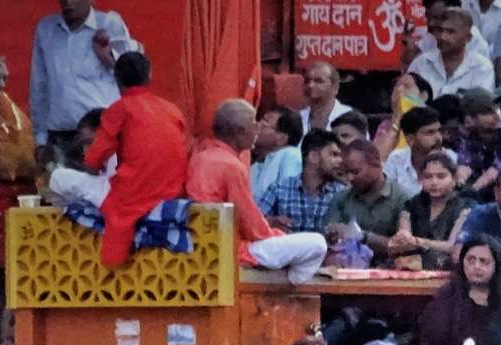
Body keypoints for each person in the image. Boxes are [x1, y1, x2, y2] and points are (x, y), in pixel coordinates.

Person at [188, 100, 329, 286]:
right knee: (317, 243)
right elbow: (253, 228)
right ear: (239, 131)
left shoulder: (201, 156)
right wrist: (278, 235)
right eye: (254, 122)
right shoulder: (231, 166)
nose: (258, 128)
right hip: (232, 250)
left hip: (206, 247)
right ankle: (285, 284)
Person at [82, 53, 187, 269]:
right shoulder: (172, 110)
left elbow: (93, 160)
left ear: (117, 79)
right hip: (173, 190)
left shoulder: (120, 109)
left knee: (60, 180)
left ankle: (110, 270)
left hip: (133, 194)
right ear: (150, 75)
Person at [30, 0, 140, 145]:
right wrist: (40, 138)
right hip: (59, 135)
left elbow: (135, 76)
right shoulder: (46, 29)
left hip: (100, 132)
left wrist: (109, 57)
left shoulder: (108, 24)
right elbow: (39, 85)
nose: (69, 0)